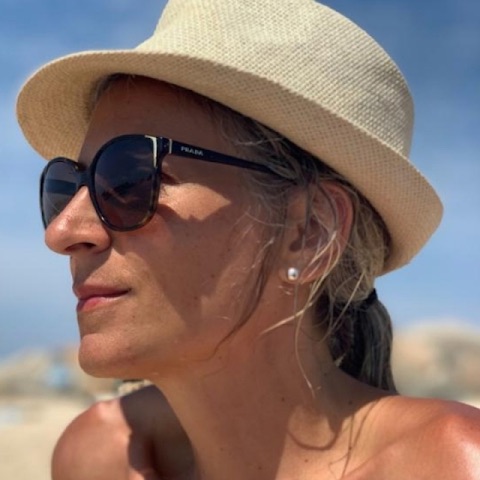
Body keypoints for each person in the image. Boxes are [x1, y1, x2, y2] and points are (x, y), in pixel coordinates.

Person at [16, 0, 480, 478]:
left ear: (309, 232)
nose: (62, 231)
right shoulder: (100, 458)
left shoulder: (452, 467)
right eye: (66, 186)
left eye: (129, 179)